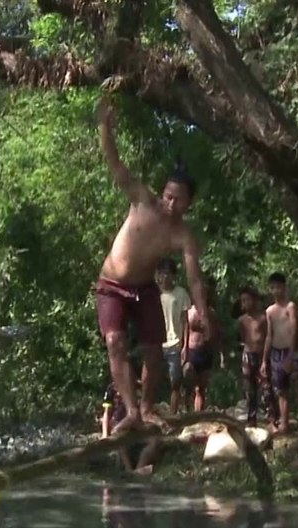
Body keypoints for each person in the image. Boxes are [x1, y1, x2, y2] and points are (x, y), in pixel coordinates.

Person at [93, 95, 212, 433]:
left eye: (179, 200)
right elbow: (115, 164)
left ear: (189, 204)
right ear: (162, 191)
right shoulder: (143, 200)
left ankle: (146, 408)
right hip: (111, 284)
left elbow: (194, 277)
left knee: (155, 352)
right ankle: (131, 411)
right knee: (115, 343)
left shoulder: (183, 235)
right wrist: (105, 127)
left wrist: (202, 312)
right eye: (168, 195)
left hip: (144, 288)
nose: (170, 203)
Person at [264, 272, 298, 435]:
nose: (276, 291)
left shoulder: (290, 307)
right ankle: (284, 424)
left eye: (278, 287)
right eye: (273, 288)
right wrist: (264, 360)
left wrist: (291, 355)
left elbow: (294, 330)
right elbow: (269, 335)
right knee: (281, 390)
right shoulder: (270, 311)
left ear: (284, 287)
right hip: (276, 353)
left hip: (291, 351)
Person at [156, 259, 192, 413]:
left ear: (173, 276)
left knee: (175, 382)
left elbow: (185, 321)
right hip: (156, 344)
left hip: (175, 343)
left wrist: (185, 345)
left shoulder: (181, 293)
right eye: (163, 274)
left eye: (169, 274)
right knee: (151, 381)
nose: (166, 277)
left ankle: (173, 414)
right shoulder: (154, 294)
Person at [182, 279, 224, 412]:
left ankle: (198, 413)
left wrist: (221, 354)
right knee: (188, 376)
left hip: (205, 350)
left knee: (201, 387)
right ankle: (186, 408)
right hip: (191, 350)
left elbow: (217, 334)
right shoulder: (189, 312)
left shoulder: (211, 313)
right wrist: (183, 348)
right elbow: (184, 331)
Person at [236, 286, 268, 425]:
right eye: (243, 300)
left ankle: (272, 416)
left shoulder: (263, 318)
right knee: (250, 388)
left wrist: (265, 357)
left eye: (248, 299)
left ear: (254, 300)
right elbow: (243, 338)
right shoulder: (242, 320)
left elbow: (267, 336)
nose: (245, 303)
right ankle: (252, 417)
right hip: (248, 355)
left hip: (261, 354)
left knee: (266, 385)